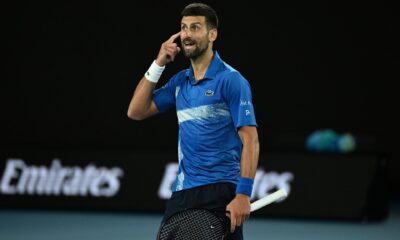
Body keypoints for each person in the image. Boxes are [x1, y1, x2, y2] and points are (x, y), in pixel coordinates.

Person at [127, 3, 259, 239]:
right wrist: (158, 64)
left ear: (212, 34)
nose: (186, 34)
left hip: (220, 191)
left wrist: (243, 194)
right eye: (183, 28)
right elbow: (136, 111)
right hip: (183, 193)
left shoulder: (231, 81)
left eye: (195, 27)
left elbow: (250, 140)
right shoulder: (180, 82)